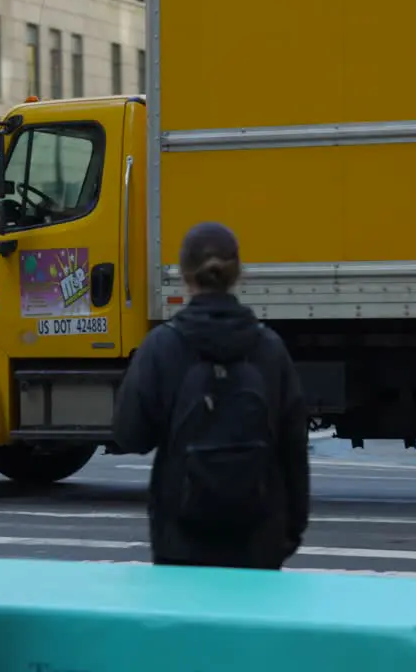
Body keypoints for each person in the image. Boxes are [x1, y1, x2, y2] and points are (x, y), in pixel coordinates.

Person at [112, 221, 310, 570]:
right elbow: (293, 447)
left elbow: (131, 434)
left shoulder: (162, 346)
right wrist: (289, 531)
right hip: (257, 541)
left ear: (184, 275)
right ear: (239, 274)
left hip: (181, 540)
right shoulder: (269, 348)